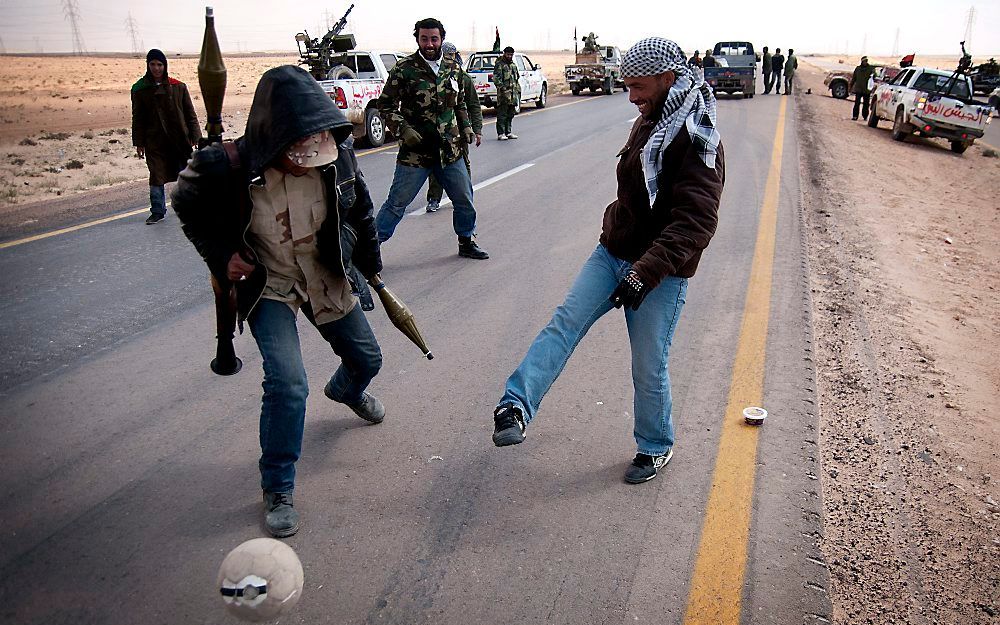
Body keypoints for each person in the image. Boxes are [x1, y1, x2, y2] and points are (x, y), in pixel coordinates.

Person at [490, 37, 725, 485]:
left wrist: (644, 274)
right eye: (628, 87)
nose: (631, 96)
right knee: (564, 322)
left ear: (667, 79)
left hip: (660, 274)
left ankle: (655, 446)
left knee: (648, 362)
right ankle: (515, 406)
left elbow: (695, 223)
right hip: (612, 253)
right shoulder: (652, 117)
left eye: (638, 87)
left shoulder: (697, 138)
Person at [171, 65, 386, 538]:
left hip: (324, 270)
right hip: (270, 282)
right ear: (274, 136)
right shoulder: (225, 164)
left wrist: (370, 266)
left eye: (317, 142)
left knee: (368, 359)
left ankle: (347, 390)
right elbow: (183, 201)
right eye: (299, 146)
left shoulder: (338, 154)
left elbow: (361, 209)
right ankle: (279, 486)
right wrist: (221, 253)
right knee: (288, 385)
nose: (310, 154)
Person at [374, 17, 489, 260]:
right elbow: (385, 105)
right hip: (416, 154)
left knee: (464, 200)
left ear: (441, 40)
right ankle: (367, 252)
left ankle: (466, 241)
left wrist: (467, 127)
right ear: (417, 39)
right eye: (424, 38)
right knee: (396, 204)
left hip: (450, 150)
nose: (429, 44)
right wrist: (402, 129)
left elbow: (459, 103)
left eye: (434, 39)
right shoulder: (404, 69)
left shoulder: (453, 68)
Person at [131, 48, 201, 225]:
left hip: (179, 139)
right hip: (154, 141)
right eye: (153, 64)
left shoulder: (178, 86)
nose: (156, 68)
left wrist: (196, 136)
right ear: (148, 65)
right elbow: (138, 118)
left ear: (165, 65)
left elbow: (190, 114)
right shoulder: (140, 89)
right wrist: (139, 143)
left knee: (186, 175)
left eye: (160, 64)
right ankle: (157, 210)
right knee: (156, 175)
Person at [426, 42, 482, 212]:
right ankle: (434, 199)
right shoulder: (433, 77)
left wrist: (476, 130)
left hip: (460, 132)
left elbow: (473, 105)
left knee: (462, 165)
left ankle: (465, 197)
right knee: (437, 166)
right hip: (439, 131)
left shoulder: (462, 77)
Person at [494, 46, 520, 141]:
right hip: (503, 95)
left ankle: (508, 132)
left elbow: (516, 79)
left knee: (510, 114)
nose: (509, 56)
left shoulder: (513, 65)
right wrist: (503, 90)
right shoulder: (500, 65)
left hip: (513, 94)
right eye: (508, 54)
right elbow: (496, 79)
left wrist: (517, 91)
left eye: (511, 55)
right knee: (502, 114)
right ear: (504, 53)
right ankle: (501, 133)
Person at [849, 56, 876, 121]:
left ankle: (865, 116)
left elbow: (874, 76)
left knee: (866, 104)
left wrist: (873, 74)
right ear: (861, 61)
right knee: (857, 103)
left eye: (866, 61)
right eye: (864, 61)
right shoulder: (858, 69)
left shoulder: (870, 69)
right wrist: (850, 87)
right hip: (858, 89)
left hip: (866, 90)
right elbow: (854, 78)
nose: (865, 62)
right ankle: (855, 116)